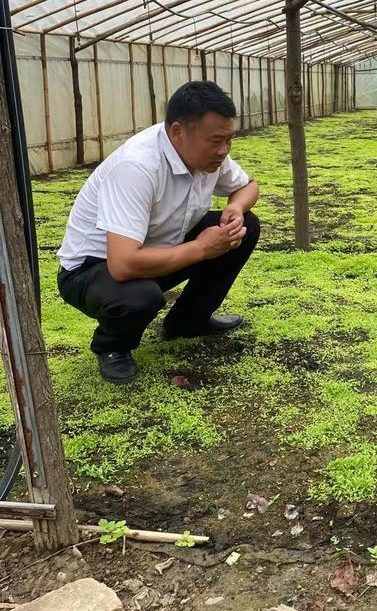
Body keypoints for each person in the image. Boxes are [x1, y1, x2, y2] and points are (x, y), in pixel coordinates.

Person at [57, 81, 260, 384]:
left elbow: (247, 186)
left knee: (246, 225)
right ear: (178, 132)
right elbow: (123, 264)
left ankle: (188, 322)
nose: (223, 150)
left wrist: (236, 207)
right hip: (92, 269)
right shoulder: (137, 167)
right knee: (139, 297)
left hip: (160, 248)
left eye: (229, 139)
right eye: (216, 140)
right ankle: (112, 347)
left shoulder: (209, 155)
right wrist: (201, 249)